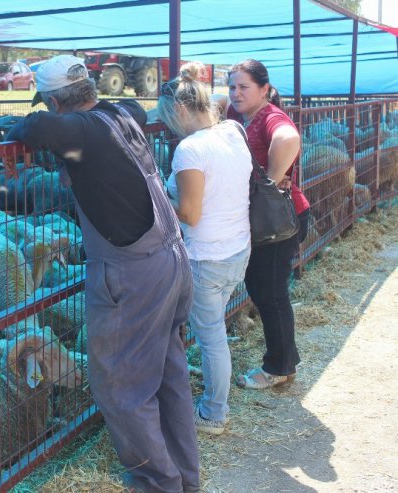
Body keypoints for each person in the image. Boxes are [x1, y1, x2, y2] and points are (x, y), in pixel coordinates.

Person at [6, 55, 199, 493]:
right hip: (169, 259)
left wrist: (18, 130)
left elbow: (37, 129)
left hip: (132, 275)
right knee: (168, 377)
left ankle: (159, 485)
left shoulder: (82, 129)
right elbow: (129, 109)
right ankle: (185, 480)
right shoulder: (119, 114)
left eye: (48, 103)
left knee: (122, 389)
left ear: (55, 103)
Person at [157, 62, 252, 435]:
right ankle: (213, 399)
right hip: (237, 249)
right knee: (214, 331)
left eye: (167, 116)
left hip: (206, 256)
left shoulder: (189, 149)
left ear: (180, 110)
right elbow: (216, 101)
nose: (166, 125)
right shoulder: (233, 130)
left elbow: (190, 215)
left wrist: (163, 197)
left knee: (211, 338)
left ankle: (214, 413)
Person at [215, 59, 311, 390]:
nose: (235, 93)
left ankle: (279, 367)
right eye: (232, 87)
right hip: (265, 222)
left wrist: (269, 182)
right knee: (263, 289)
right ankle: (284, 361)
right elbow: (214, 102)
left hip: (280, 220)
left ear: (264, 90)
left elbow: (288, 138)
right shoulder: (239, 114)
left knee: (270, 293)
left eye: (244, 87)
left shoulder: (271, 117)